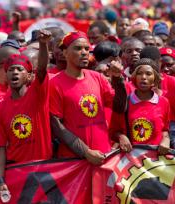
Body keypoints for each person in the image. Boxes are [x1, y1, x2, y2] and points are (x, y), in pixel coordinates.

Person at [49, 31, 127, 165]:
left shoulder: (97, 77)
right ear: (65, 53)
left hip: (104, 155)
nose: (84, 52)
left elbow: (120, 107)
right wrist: (86, 152)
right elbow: (57, 126)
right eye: (78, 48)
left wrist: (118, 79)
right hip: (73, 161)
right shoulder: (54, 84)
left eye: (86, 48)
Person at [0, 30, 52, 198]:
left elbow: (42, 70)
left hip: (45, 170)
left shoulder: (37, 94)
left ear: (28, 76)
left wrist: (43, 44)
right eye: (11, 70)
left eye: (19, 69)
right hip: (17, 173)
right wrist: (0, 180)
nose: (15, 73)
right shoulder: (0, 108)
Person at [110, 58, 171, 155]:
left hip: (156, 160)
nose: (143, 77)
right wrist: (121, 137)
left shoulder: (164, 102)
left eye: (148, 74)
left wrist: (166, 140)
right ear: (134, 77)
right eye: (139, 73)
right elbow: (113, 131)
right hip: (130, 161)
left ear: (155, 79)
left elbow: (165, 130)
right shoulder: (124, 102)